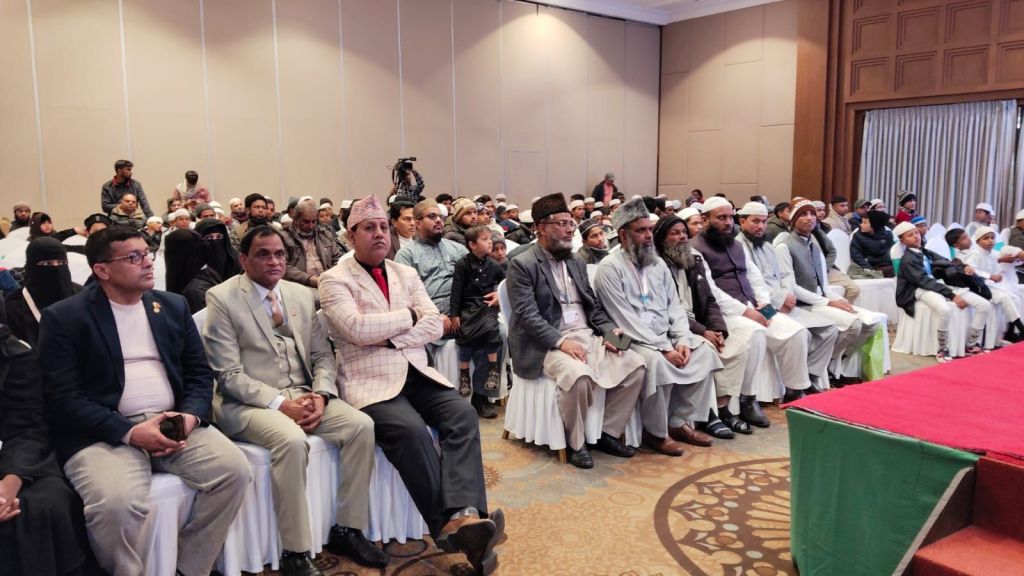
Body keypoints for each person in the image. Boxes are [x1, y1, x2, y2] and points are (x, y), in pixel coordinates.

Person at [38, 226, 251, 576]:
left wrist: (189, 418)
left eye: (147, 254)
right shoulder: (66, 317)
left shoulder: (172, 305)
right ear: (102, 270)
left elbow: (199, 375)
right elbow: (62, 397)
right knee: (115, 504)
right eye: (133, 257)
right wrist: (130, 433)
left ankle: (189, 568)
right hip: (104, 432)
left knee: (234, 471)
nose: (148, 263)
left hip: (173, 421)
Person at [318, 196, 503, 575]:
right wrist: (409, 317)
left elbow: (434, 324)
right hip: (369, 381)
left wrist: (388, 336)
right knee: (411, 430)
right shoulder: (334, 279)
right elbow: (355, 328)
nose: (379, 234)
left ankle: (466, 514)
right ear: (351, 235)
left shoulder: (404, 273)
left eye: (383, 227)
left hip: (417, 371)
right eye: (368, 228)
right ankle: (447, 526)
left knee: (462, 414)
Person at [203, 226, 386, 574]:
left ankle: (348, 528)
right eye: (263, 254)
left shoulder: (301, 295)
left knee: (361, 426)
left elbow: (322, 356)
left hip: (303, 393)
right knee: (290, 440)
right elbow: (228, 374)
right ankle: (295, 550)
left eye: (280, 254)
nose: (274, 261)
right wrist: (279, 404)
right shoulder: (222, 298)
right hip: (249, 404)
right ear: (243, 259)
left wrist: (322, 394)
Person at [506, 193, 646, 468]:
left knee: (636, 362)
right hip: (546, 343)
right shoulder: (522, 265)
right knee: (578, 375)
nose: (570, 229)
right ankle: (576, 442)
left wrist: (611, 332)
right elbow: (527, 316)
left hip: (587, 335)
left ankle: (606, 432)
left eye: (571, 223)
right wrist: (560, 342)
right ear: (541, 227)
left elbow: (593, 306)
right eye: (562, 224)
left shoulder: (576, 262)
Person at [594, 200, 721, 455]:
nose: (648, 236)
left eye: (650, 230)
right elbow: (623, 318)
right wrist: (664, 348)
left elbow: (675, 305)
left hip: (665, 335)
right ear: (623, 235)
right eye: (641, 231)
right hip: (627, 338)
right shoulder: (609, 267)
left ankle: (678, 422)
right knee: (656, 362)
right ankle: (656, 432)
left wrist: (682, 339)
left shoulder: (657, 263)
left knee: (705, 351)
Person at [691, 198, 827, 404]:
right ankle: (747, 399)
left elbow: (755, 278)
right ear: (704, 219)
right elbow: (711, 291)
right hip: (726, 312)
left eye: (730, 217)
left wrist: (764, 304)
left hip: (754, 306)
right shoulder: (695, 248)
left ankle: (795, 389)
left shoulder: (736, 245)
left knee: (797, 332)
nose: (728, 223)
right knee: (756, 334)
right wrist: (746, 312)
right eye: (721, 218)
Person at [1, 295, 99, 576]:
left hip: (13, 457)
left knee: (46, 505)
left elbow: (27, 428)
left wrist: (7, 488)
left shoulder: (16, 358)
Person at [655, 212, 772, 431]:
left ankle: (734, 404)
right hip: (681, 325)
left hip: (714, 319)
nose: (682, 237)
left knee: (744, 341)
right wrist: (704, 330)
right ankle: (708, 414)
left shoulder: (698, 256)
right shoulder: (659, 265)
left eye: (683, 232)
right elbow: (673, 309)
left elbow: (711, 297)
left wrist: (718, 328)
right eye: (675, 233)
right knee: (710, 349)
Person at [734, 201, 839, 395]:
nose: (761, 226)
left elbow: (784, 277)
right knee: (800, 333)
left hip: (783, 302)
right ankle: (795, 388)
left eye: (764, 221)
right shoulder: (738, 247)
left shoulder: (767, 246)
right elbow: (751, 283)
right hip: (760, 306)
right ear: (742, 221)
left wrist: (786, 296)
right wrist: (779, 300)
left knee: (830, 329)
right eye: (755, 221)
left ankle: (811, 374)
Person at [774, 200, 885, 381]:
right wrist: (829, 302)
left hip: (820, 299)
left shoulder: (815, 246)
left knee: (871, 325)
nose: (810, 218)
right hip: (803, 304)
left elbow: (823, 286)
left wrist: (839, 300)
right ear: (793, 220)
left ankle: (829, 363)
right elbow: (791, 288)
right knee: (854, 325)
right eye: (803, 214)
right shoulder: (784, 246)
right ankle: (815, 370)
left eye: (812, 214)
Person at [894, 222, 992, 361]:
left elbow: (945, 261)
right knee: (945, 310)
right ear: (902, 241)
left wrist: (964, 267)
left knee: (984, 305)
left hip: (937, 285)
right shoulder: (908, 259)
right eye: (910, 235)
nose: (916, 236)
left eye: (916, 232)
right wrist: (952, 295)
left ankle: (971, 344)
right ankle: (942, 349)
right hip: (919, 289)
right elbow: (923, 281)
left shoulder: (924, 251)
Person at [450, 226, 506, 418]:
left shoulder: (494, 265)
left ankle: (490, 377)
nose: (490, 242)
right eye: (485, 239)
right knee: (464, 333)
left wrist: (499, 294)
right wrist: (454, 314)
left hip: (486, 306)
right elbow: (456, 291)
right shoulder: (463, 264)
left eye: (490, 238)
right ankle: (465, 376)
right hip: (467, 307)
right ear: (472, 245)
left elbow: (506, 283)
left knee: (492, 330)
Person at [964, 226, 1024, 343]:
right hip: (978, 285)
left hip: (992, 285)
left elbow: (998, 266)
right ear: (978, 241)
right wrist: (990, 276)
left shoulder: (994, 253)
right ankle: (1021, 329)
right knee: (1005, 297)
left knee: (1015, 298)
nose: (990, 240)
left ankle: (1010, 332)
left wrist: (998, 274)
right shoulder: (975, 253)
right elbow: (971, 270)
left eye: (992, 238)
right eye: (986, 238)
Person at [283, 200, 342, 290]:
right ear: (295, 219)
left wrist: (329, 277)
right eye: (306, 222)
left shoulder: (325, 235)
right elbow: (283, 266)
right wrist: (308, 279)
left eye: (314, 221)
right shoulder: (283, 238)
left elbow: (338, 259)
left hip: (327, 283)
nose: (311, 226)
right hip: (299, 287)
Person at [851, 210, 895, 277]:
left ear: (874, 225)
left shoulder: (888, 235)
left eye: (865, 223)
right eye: (861, 222)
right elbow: (857, 256)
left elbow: (892, 252)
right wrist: (870, 269)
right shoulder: (858, 236)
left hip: (887, 266)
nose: (861, 225)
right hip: (869, 267)